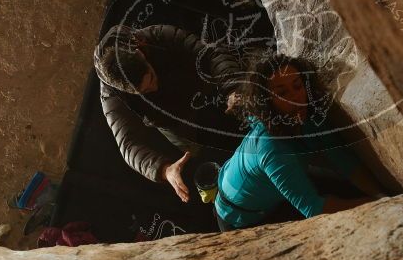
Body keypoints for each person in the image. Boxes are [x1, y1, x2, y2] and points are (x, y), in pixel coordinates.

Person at [214, 55, 383, 231]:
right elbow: (315, 209)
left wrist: (380, 195)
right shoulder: (270, 147)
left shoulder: (303, 117)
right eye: (282, 93)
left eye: (297, 86)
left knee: (341, 188)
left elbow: (342, 160)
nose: (295, 97)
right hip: (239, 218)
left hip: (261, 189)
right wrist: (379, 204)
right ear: (267, 101)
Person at [94, 24, 243, 203]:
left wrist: (233, 88)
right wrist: (164, 170)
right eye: (145, 91)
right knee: (216, 161)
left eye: (152, 78)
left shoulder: (154, 37)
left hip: (205, 90)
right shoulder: (111, 95)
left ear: (141, 54)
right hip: (178, 127)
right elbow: (127, 144)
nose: (154, 88)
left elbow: (210, 53)